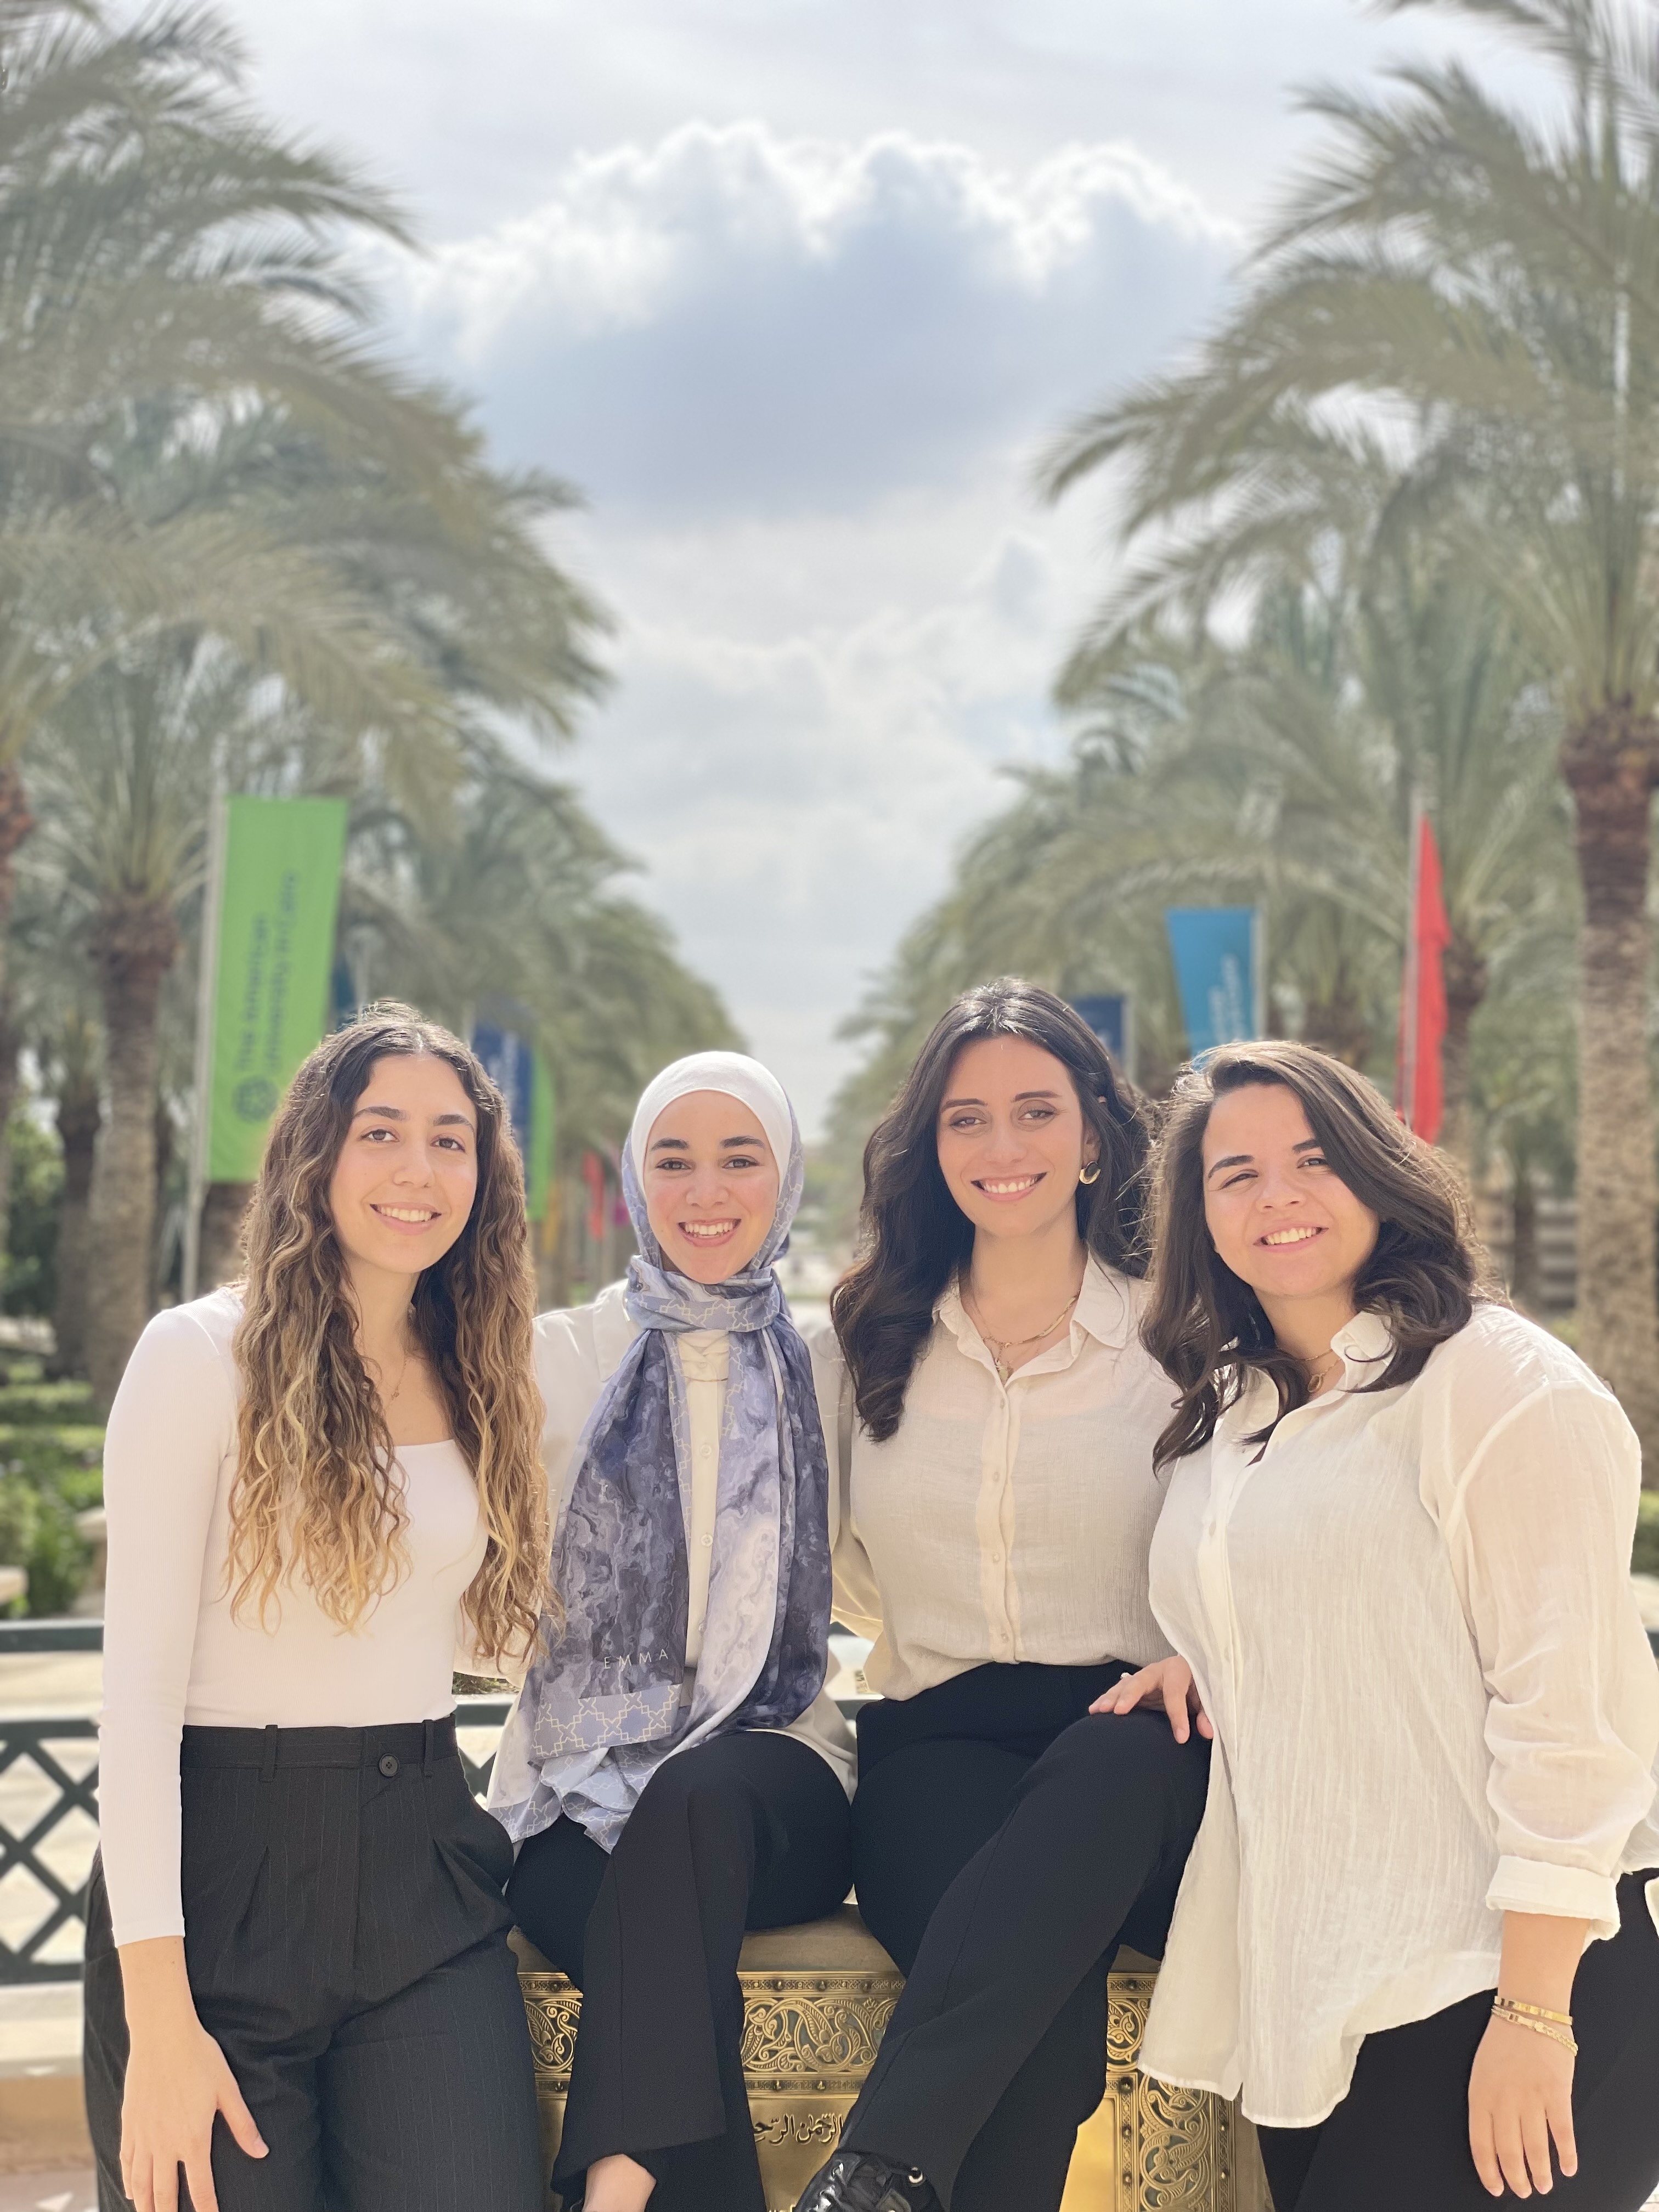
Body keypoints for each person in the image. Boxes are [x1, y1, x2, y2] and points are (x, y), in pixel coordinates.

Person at [1100, 1040, 1659, 2212]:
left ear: (1378, 1173)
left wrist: (1534, 2014)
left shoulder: (1497, 1387)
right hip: (1319, 2003)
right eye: (1235, 1174)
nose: (1278, 1196)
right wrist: (1197, 1657)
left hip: (1507, 1981)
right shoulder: (1233, 1419)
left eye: (1314, 1159)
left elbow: (1569, 1713)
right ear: (1201, 1218)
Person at [85, 1006, 549, 2212]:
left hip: (423, 1875)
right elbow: (132, 1707)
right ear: (315, 1157)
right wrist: (159, 2023)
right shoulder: (197, 1360)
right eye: (380, 1131)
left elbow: (474, 1637)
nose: (418, 1169)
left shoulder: (486, 1373)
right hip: (218, 1886)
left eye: (452, 1140)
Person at [795, 978, 1211, 2212]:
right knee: (1042, 2040)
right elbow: (825, 1564)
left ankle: (868, 2173)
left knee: (1117, 1754)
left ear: (1095, 1136)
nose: (1003, 1146)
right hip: (939, 1753)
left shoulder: (1182, 1339)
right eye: (966, 1119)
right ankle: (884, 2176)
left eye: (1036, 1112)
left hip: (1148, 1752)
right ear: (930, 1147)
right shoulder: (860, 1340)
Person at [490, 1050, 854, 2212]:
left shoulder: (833, 1364)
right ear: (637, 1183)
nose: (707, 1192)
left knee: (691, 1802)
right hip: (576, 1789)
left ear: (786, 1178)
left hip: (775, 1775)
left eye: (740, 1159)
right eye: (674, 1161)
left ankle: (610, 2185)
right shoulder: (555, 1359)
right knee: (650, 1956)